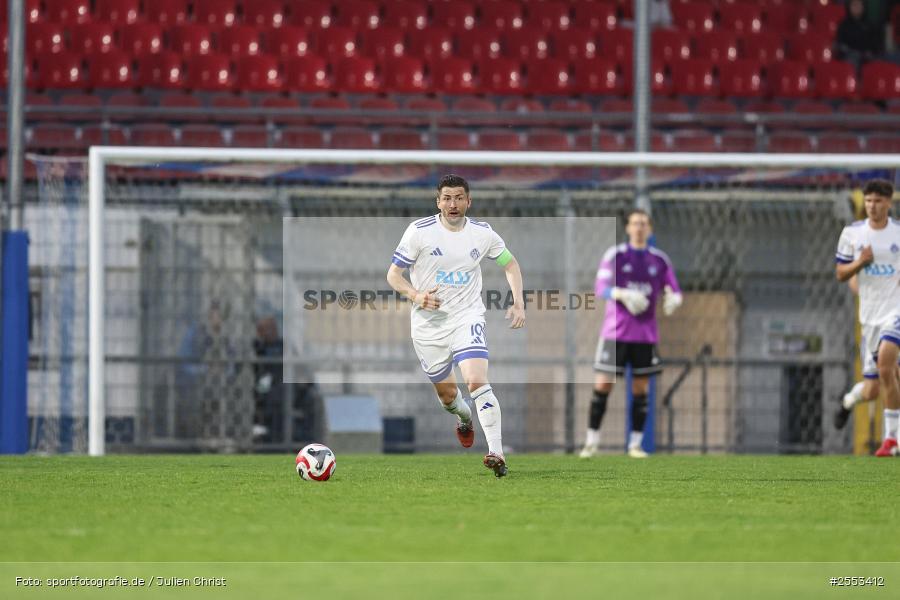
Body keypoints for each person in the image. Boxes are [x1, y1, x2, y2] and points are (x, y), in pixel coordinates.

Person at [386, 174, 525, 477]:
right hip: (428, 325)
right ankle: (464, 419)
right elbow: (393, 275)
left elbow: (510, 264)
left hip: (467, 316)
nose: (453, 203)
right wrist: (416, 295)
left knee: (476, 381)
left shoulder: (482, 233)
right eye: (447, 198)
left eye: (459, 197)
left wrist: (518, 302)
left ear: (468, 201)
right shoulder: (419, 232)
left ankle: (496, 453)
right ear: (438, 202)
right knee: (449, 397)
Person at [579, 209, 682, 459]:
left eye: (643, 224)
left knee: (640, 389)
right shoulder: (616, 255)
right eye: (635, 223)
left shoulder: (659, 260)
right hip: (615, 334)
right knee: (603, 385)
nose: (639, 227)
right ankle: (591, 442)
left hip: (645, 336)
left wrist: (675, 298)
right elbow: (600, 287)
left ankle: (635, 444)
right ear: (627, 228)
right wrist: (621, 294)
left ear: (650, 229)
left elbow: (674, 288)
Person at [835, 178, 900, 456]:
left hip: (895, 312)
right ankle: (849, 400)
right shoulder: (852, 234)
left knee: (887, 366)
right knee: (874, 388)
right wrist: (861, 262)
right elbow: (841, 274)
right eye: (869, 201)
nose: (872, 206)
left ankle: (891, 439)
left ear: (888, 202)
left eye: (878, 201)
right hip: (870, 317)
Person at [836, 0, 885, 68]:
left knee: (883, 60)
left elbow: (876, 44)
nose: (857, 7)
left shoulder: (869, 25)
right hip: (851, 56)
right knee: (852, 59)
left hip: (867, 56)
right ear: (849, 7)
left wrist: (871, 52)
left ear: (863, 7)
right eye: (854, 5)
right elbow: (840, 45)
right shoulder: (844, 25)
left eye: (859, 5)